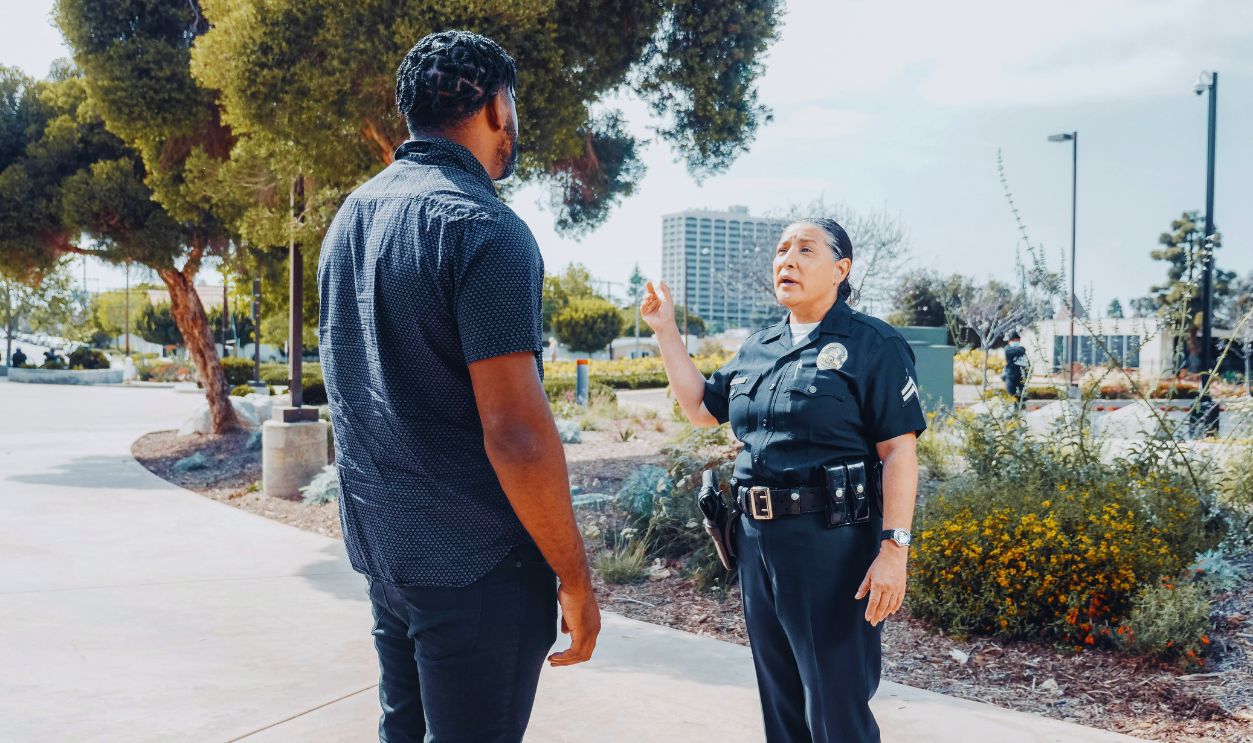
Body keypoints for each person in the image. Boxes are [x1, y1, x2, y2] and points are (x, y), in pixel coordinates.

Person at [318, 30, 600, 743]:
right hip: (479, 566)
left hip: (389, 553)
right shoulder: (486, 230)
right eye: (515, 104)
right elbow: (517, 434)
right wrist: (574, 575)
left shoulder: (348, 219)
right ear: (496, 106)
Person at [642, 218, 926, 743]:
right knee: (781, 703)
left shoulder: (873, 345)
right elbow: (704, 409)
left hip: (832, 546)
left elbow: (899, 454)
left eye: (804, 250)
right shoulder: (760, 346)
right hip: (756, 542)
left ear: (841, 269)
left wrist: (894, 550)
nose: (786, 260)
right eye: (781, 250)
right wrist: (666, 331)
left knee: (835, 708)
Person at [1002, 331, 1028, 400]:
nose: (1016, 342)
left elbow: (1023, 352)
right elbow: (1019, 351)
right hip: (1010, 376)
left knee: (1022, 397)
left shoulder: (1021, 348)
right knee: (1011, 396)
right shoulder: (1007, 349)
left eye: (1017, 340)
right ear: (1010, 341)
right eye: (1014, 340)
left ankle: (1020, 408)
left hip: (1021, 376)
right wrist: (1020, 350)